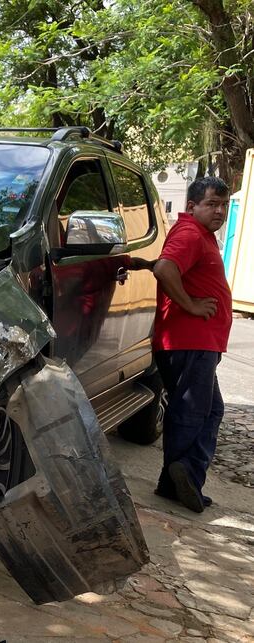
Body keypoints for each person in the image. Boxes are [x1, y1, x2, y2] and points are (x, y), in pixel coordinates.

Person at [151, 176, 232, 513]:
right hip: (189, 342)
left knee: (209, 410)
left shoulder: (203, 236)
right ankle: (183, 475)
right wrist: (191, 305)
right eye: (212, 204)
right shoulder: (189, 233)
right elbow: (164, 268)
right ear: (192, 206)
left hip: (198, 343)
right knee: (192, 412)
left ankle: (178, 479)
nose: (219, 211)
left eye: (223, 205)